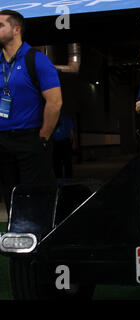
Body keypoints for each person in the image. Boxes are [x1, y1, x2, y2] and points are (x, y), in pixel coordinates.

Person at [0, 10, 62, 213]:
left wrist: (43, 137)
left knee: (34, 197)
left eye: (1, 25)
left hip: (31, 138)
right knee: (9, 195)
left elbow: (55, 102)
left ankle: (39, 239)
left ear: (16, 30)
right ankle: (16, 240)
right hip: (2, 140)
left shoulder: (37, 60)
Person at [52, 112, 76, 178]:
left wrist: (73, 143)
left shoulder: (66, 118)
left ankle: (68, 179)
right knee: (56, 163)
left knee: (67, 162)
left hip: (65, 142)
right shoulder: (51, 118)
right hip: (55, 143)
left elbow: (71, 131)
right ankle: (58, 178)